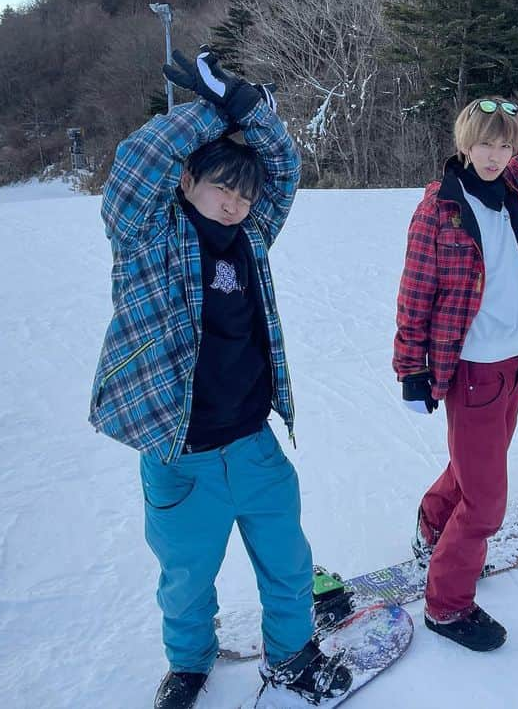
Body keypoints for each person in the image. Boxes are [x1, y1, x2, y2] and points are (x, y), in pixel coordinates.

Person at [88, 47, 350, 709]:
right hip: (180, 457)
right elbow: (135, 167)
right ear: (187, 183)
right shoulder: (147, 240)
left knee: (288, 565)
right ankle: (188, 664)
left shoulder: (253, 236)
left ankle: (291, 654)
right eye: (220, 186)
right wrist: (209, 112)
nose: (235, 202)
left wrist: (245, 106)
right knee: (186, 578)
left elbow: (284, 167)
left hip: (255, 446)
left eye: (243, 190)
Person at [394, 22, 518, 652]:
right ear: (465, 143)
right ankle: (447, 606)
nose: (494, 156)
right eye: (484, 144)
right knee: (486, 506)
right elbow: (415, 291)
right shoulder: (440, 206)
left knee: (473, 469)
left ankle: (431, 525)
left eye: (504, 146)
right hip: (472, 369)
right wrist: (412, 369)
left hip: (514, 365)